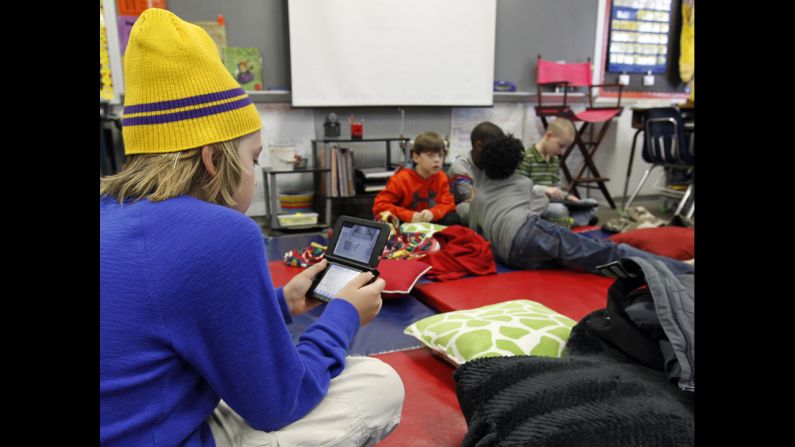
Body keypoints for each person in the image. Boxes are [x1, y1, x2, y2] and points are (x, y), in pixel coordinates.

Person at [100, 9, 404, 446]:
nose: (255, 172)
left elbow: (166, 324)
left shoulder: (111, 210)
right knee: (378, 382)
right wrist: (344, 314)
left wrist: (281, 304)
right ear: (212, 160)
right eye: (254, 158)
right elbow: (280, 402)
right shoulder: (222, 232)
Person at [468, 133, 694, 276]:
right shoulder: (524, 182)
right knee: (607, 252)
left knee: (579, 260)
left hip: (513, 258)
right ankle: (684, 269)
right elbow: (537, 205)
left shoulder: (479, 196)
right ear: (517, 163)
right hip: (528, 234)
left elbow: (474, 230)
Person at [447, 122, 549, 226]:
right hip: (478, 212)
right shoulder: (459, 168)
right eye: (495, 145)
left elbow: (516, 188)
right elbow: (468, 205)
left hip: (497, 212)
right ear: (479, 145)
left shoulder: (496, 161)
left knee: (541, 199)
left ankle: (512, 222)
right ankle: (513, 222)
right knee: (463, 209)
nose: (499, 149)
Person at [517, 117, 599, 227]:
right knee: (559, 210)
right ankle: (572, 221)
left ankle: (567, 222)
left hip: (554, 203)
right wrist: (545, 189)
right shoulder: (526, 157)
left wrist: (568, 196)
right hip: (536, 204)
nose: (562, 151)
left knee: (592, 204)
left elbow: (556, 188)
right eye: (560, 146)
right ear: (549, 135)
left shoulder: (554, 159)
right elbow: (520, 189)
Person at [372, 131, 459, 225]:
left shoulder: (442, 177)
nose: (437, 160)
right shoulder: (401, 179)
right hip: (405, 222)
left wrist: (433, 213)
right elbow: (379, 206)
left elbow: (449, 204)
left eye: (440, 155)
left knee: (454, 218)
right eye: (430, 155)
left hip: (430, 220)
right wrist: (408, 215)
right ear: (416, 157)